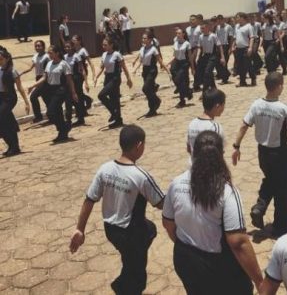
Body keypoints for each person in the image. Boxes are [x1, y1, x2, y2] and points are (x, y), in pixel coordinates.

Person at [163, 131, 262, 295]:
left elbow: (168, 224)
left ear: (192, 152)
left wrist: (186, 246)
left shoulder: (176, 183)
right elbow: (238, 242)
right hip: (216, 266)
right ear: (221, 155)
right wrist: (259, 280)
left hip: (184, 259)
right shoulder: (226, 191)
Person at [69, 125, 164, 295]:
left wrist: (80, 229)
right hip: (131, 232)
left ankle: (127, 275)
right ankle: (122, 287)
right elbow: (160, 203)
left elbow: (89, 199)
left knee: (147, 234)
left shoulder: (104, 169)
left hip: (111, 230)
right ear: (139, 145)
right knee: (137, 274)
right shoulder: (140, 175)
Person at [232, 72, 287, 237]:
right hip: (279, 153)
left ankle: (259, 208)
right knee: (282, 187)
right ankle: (281, 224)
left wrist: (236, 146)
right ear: (279, 86)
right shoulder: (284, 108)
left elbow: (244, 125)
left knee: (270, 180)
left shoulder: (256, 105)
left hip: (263, 153)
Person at [28, 45, 78, 143]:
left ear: (57, 53)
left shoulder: (64, 64)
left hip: (61, 90)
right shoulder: (49, 63)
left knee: (50, 112)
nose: (49, 54)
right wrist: (33, 85)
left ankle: (64, 127)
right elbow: (44, 77)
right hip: (51, 90)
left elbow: (69, 80)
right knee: (58, 112)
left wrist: (73, 93)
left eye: (51, 52)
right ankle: (62, 132)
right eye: (48, 52)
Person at [94, 37, 133, 129]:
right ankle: (118, 120)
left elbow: (124, 67)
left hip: (115, 79)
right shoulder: (104, 55)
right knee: (114, 99)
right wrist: (96, 76)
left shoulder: (117, 55)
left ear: (111, 45)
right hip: (107, 78)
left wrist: (128, 78)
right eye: (103, 44)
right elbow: (101, 67)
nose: (103, 46)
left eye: (105, 45)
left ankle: (113, 112)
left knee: (101, 95)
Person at [0, 49, 29, 156]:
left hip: (9, 98)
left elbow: (20, 87)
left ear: (7, 59)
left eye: (1, 58)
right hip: (1, 98)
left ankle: (13, 146)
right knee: (7, 121)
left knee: (1, 117)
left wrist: (26, 102)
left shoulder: (12, 71)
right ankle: (13, 146)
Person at [132, 32, 168, 117]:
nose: (143, 40)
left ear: (150, 39)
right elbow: (141, 61)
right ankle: (152, 109)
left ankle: (157, 100)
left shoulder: (153, 49)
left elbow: (160, 60)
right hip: (145, 70)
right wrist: (135, 68)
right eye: (143, 38)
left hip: (152, 70)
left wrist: (168, 71)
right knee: (150, 90)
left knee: (145, 88)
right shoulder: (142, 48)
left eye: (145, 38)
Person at [186, 88, 225, 154]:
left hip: (194, 163)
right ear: (217, 106)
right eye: (223, 105)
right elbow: (219, 152)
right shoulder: (215, 127)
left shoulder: (192, 123)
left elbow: (189, 148)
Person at [19, 40, 49, 123]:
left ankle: (39, 116)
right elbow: (31, 68)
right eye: (36, 46)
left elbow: (47, 70)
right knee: (46, 98)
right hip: (38, 77)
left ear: (43, 47)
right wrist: (21, 73)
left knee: (33, 97)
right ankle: (51, 113)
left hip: (44, 78)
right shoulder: (35, 56)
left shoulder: (47, 57)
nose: (37, 47)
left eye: (39, 46)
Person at [63, 40, 87, 127]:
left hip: (76, 80)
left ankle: (81, 118)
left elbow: (82, 69)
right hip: (68, 80)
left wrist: (86, 81)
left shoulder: (77, 57)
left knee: (78, 99)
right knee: (68, 99)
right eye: (65, 47)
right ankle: (68, 119)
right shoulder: (64, 57)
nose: (67, 48)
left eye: (68, 47)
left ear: (73, 47)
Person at [167, 28, 193, 108]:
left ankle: (182, 100)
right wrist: (169, 62)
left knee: (179, 80)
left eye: (179, 33)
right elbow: (175, 55)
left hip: (184, 63)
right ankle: (187, 91)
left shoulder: (187, 44)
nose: (177, 35)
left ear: (183, 34)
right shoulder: (175, 43)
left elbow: (190, 56)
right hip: (176, 62)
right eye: (176, 33)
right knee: (173, 73)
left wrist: (192, 67)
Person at [72, 35, 95, 114]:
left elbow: (90, 62)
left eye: (74, 40)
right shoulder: (73, 50)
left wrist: (93, 74)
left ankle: (82, 109)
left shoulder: (83, 50)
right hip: (75, 72)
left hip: (82, 72)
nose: (73, 41)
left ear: (79, 41)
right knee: (77, 90)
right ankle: (87, 100)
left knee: (78, 89)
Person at [232, 13, 256, 88]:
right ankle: (242, 81)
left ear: (243, 18)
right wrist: (233, 46)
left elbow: (252, 38)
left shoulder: (249, 26)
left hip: (246, 48)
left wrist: (250, 48)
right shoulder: (237, 26)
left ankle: (253, 78)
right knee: (240, 65)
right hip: (238, 49)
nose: (236, 19)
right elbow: (235, 37)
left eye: (238, 17)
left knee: (248, 64)